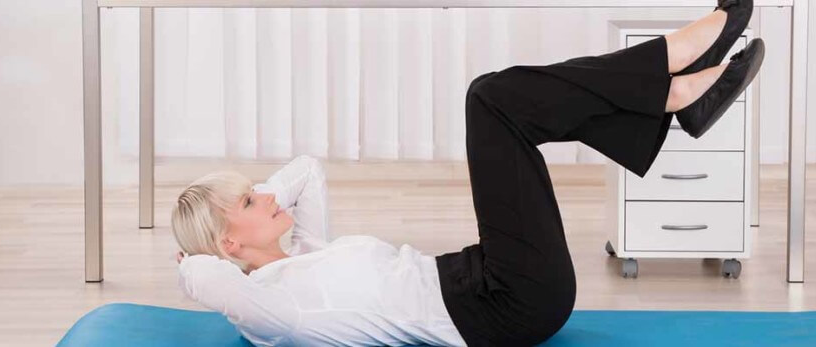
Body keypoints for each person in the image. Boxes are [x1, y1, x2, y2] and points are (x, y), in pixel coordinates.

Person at [171, 0, 764, 345]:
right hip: (505, 305)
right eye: (249, 203)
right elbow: (210, 279)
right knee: (492, 100)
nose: (266, 198)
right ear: (227, 243)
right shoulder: (271, 311)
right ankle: (672, 74)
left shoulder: (305, 253)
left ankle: (675, 91)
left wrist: (257, 201)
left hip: (484, 274)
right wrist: (198, 258)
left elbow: (308, 173)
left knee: (500, 100)